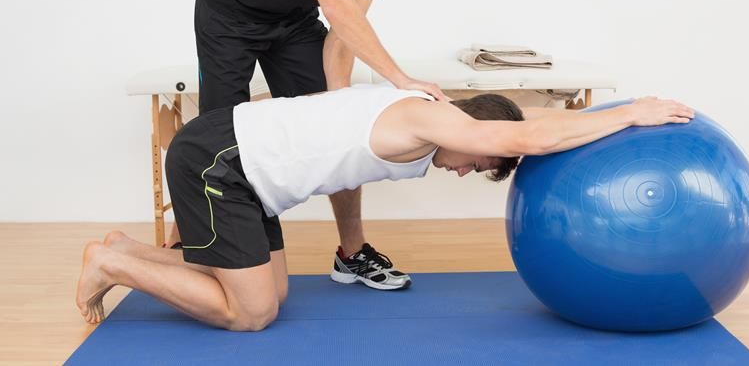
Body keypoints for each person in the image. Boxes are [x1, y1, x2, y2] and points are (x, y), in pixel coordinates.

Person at [77, 84, 694, 329]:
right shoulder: (430, 120)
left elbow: (524, 119)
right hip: (221, 162)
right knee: (252, 314)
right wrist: (632, 113)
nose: (463, 170)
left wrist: (597, 120)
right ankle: (112, 267)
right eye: (476, 163)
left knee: (277, 295)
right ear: (470, 136)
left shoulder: (436, 113)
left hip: (248, 169)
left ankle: (123, 250)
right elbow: (524, 137)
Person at [180, 0, 446, 288]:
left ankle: (352, 252)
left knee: (344, 130)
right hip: (228, 12)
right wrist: (399, 78)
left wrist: (338, 104)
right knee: (219, 134)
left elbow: (343, 34)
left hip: (292, 22)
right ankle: (198, 248)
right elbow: (336, 5)